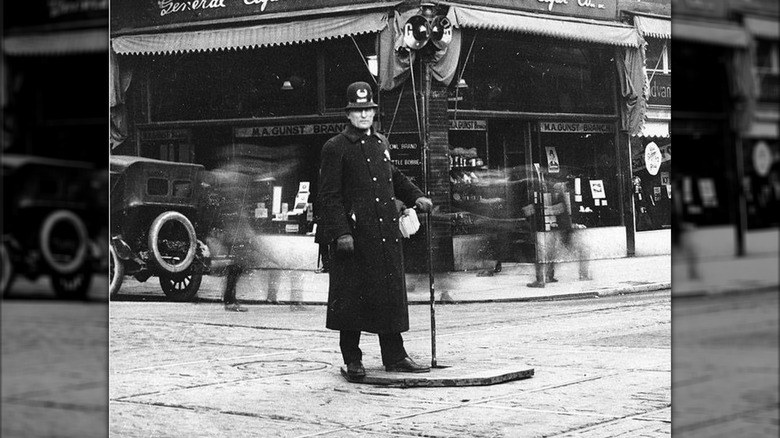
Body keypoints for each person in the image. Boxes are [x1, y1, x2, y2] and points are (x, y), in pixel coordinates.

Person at [317, 81, 433, 379]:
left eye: (368, 109)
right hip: (355, 238)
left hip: (384, 235)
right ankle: (352, 359)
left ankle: (395, 356)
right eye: (358, 111)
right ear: (348, 114)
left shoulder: (380, 143)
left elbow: (393, 176)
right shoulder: (335, 148)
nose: (364, 115)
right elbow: (329, 196)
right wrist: (342, 232)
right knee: (352, 299)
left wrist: (415, 195)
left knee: (389, 296)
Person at [524, 181, 590, 288]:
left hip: (561, 230)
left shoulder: (557, 197)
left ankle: (545, 279)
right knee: (550, 254)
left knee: (548, 254)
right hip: (561, 230)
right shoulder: (556, 197)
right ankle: (548, 278)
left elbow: (559, 210)